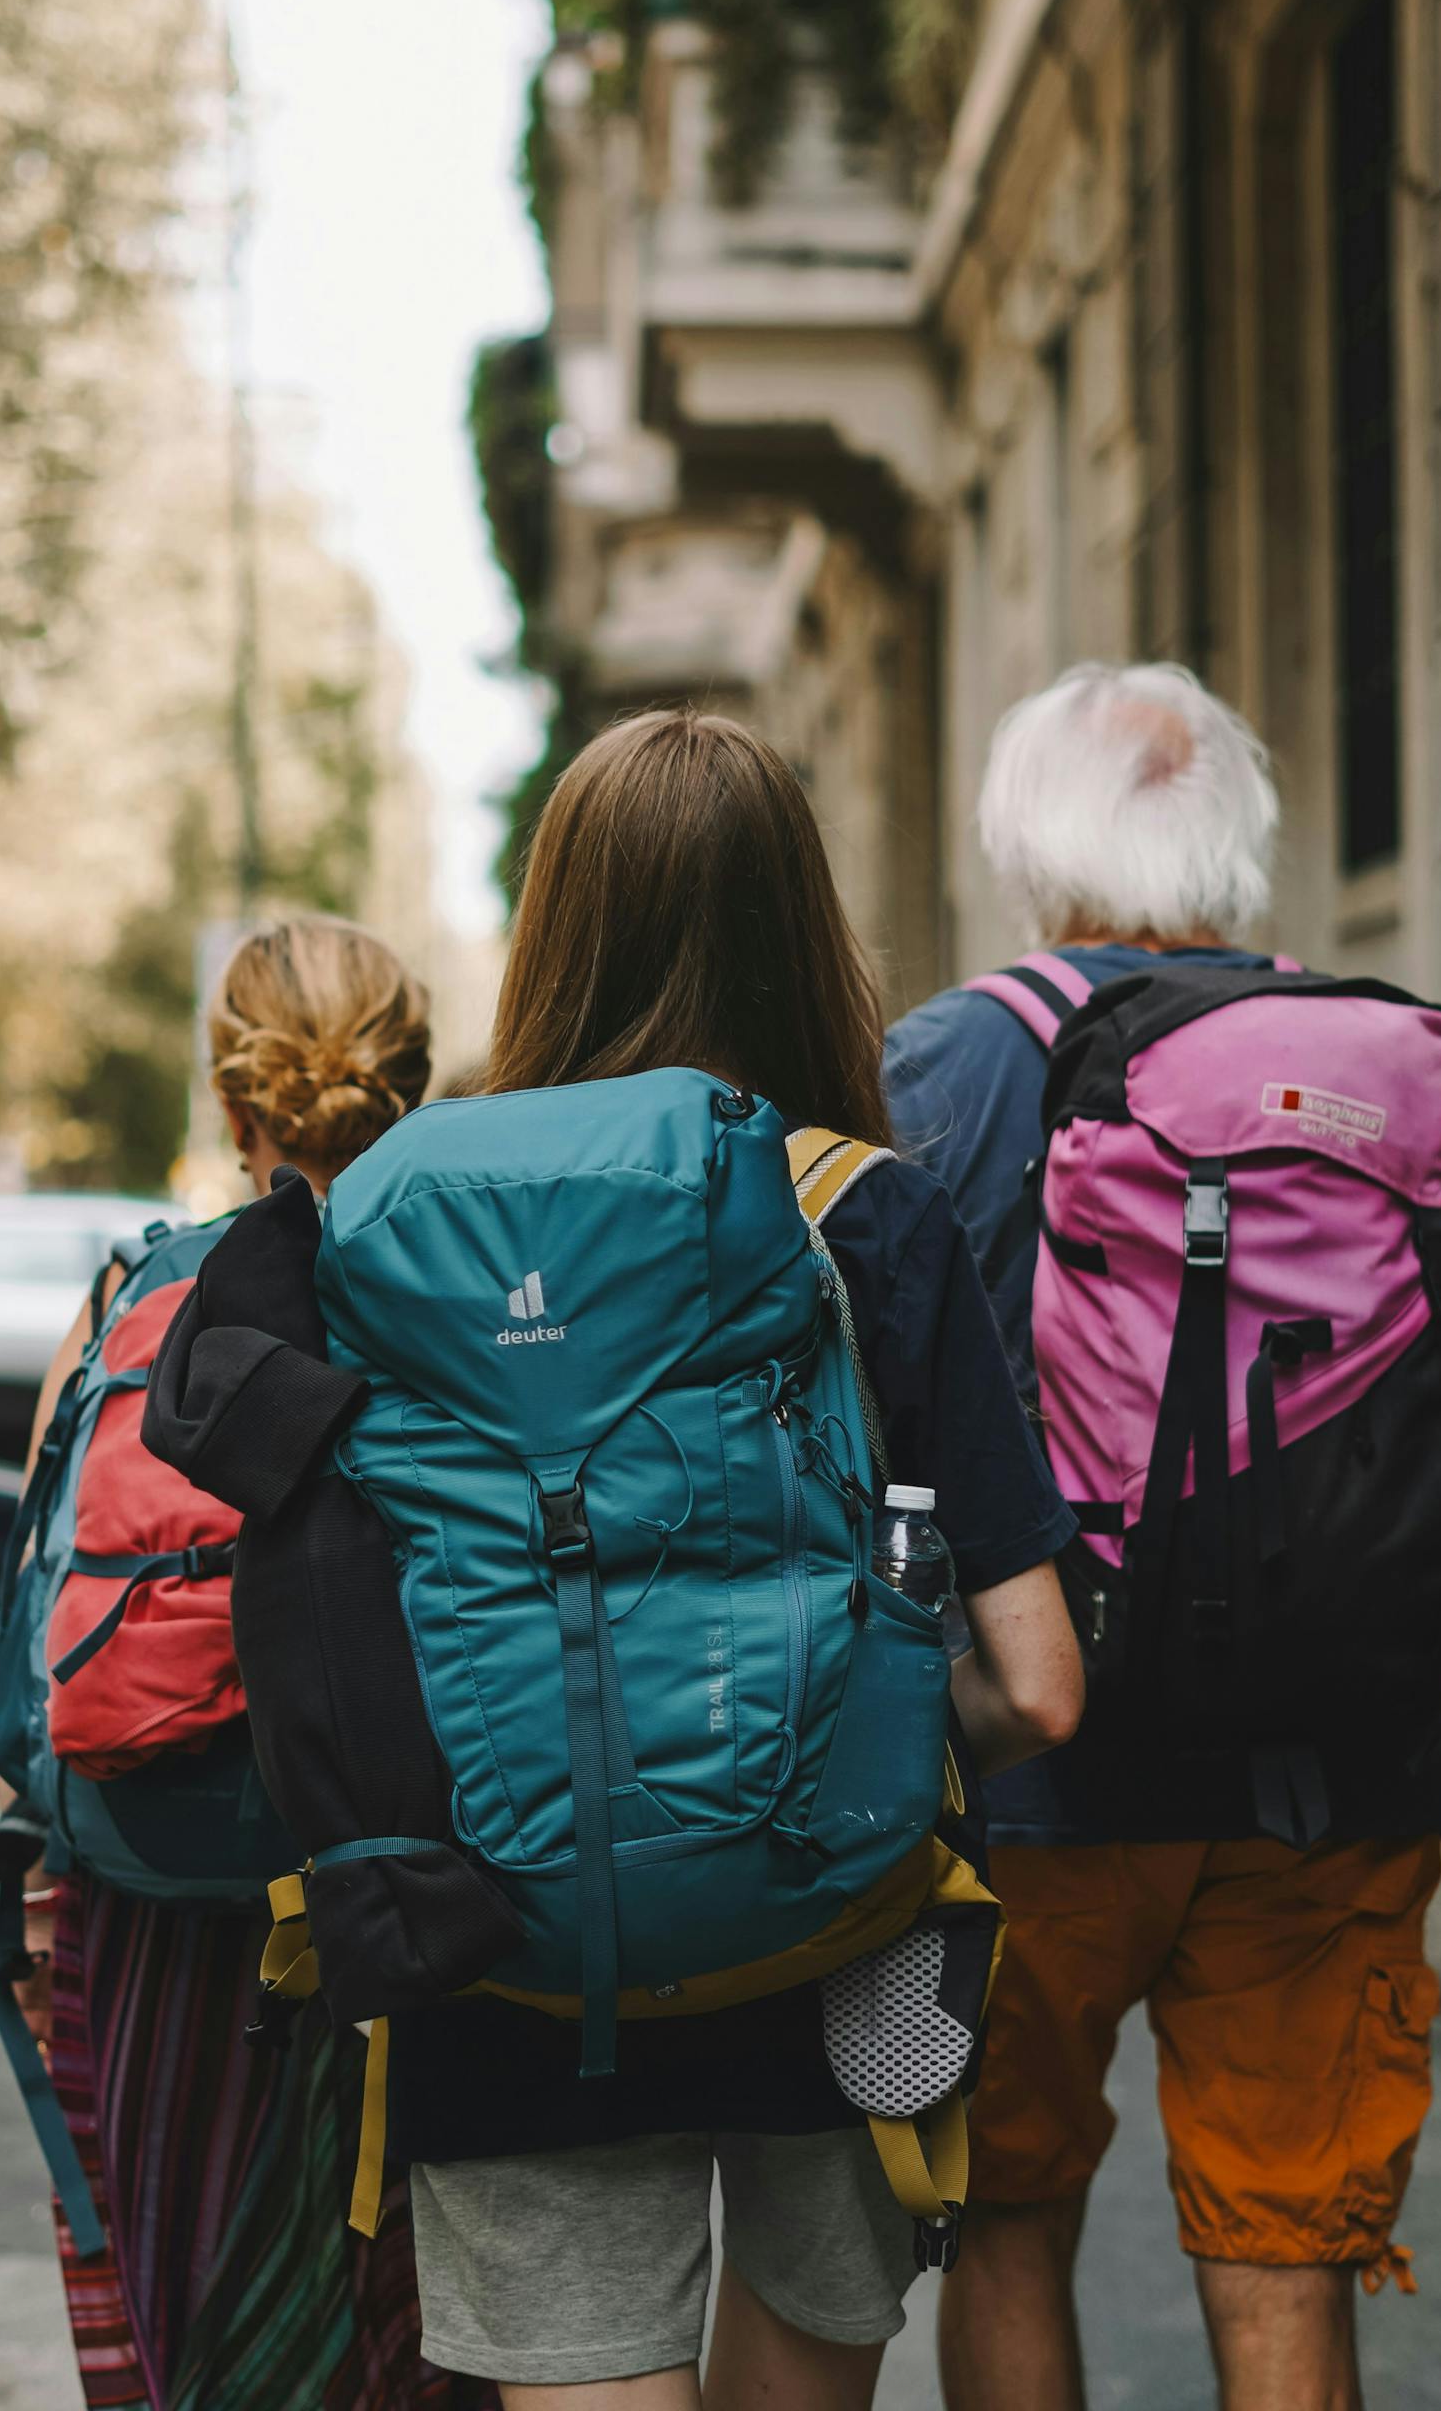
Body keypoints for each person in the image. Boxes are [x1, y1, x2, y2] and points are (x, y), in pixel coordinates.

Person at [386, 708, 1088, 2411]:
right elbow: (1045, 1690)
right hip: (840, 1946)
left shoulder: (412, 1218)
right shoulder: (873, 1214)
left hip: (507, 1945)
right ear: (803, 926)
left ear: (558, 928)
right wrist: (857, 1743)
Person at [886, 663, 1441, 2411]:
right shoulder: (1368, 1062)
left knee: (1010, 2220)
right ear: (1237, 844)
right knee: (1284, 2263)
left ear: (1028, 846)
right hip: (1341, 1781)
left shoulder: (956, 1061)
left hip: (1041, 1778)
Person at [9, 915, 483, 2411]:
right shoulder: (467, 1295)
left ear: (232, 1100)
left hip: (162, 1895)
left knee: (201, 2302)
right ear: (411, 1080)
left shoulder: (128, 1296)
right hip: (415, 1889)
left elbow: (32, 1604)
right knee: (423, 2315)